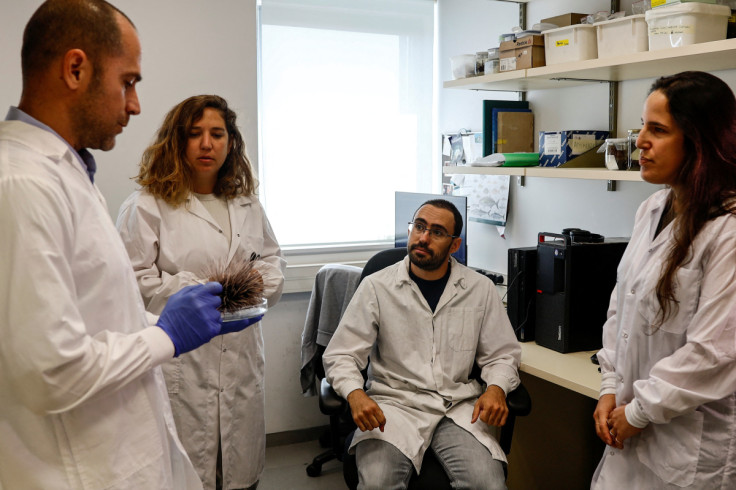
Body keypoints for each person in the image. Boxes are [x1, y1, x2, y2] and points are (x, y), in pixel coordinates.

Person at [0, 1, 259, 488]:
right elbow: (50, 371)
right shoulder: (22, 182)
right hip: (78, 465)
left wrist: (158, 323)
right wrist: (167, 334)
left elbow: (94, 310)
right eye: (129, 81)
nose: (135, 103)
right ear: (76, 68)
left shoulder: (69, 174)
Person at [116, 94, 286, 490]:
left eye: (217, 134)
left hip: (241, 353)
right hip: (182, 360)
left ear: (231, 142)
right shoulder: (146, 205)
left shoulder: (246, 203)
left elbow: (272, 260)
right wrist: (198, 291)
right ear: (177, 141)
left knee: (241, 475)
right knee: (186, 474)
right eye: (195, 134)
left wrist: (258, 283)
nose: (207, 144)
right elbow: (132, 281)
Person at [591, 71, 736, 488]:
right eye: (642, 126)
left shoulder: (727, 228)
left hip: (688, 446)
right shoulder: (653, 208)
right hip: (629, 426)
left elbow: (715, 353)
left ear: (700, 141)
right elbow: (622, 309)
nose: (639, 142)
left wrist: (637, 412)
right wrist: (609, 386)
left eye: (657, 130)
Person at [323, 199, 521, 490]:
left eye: (437, 232)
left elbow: (502, 355)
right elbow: (341, 354)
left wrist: (495, 389)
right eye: (419, 227)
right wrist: (355, 395)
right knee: (378, 483)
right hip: (393, 408)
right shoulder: (377, 287)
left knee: (488, 484)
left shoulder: (480, 289)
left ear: (455, 245)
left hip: (456, 408)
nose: (423, 237)